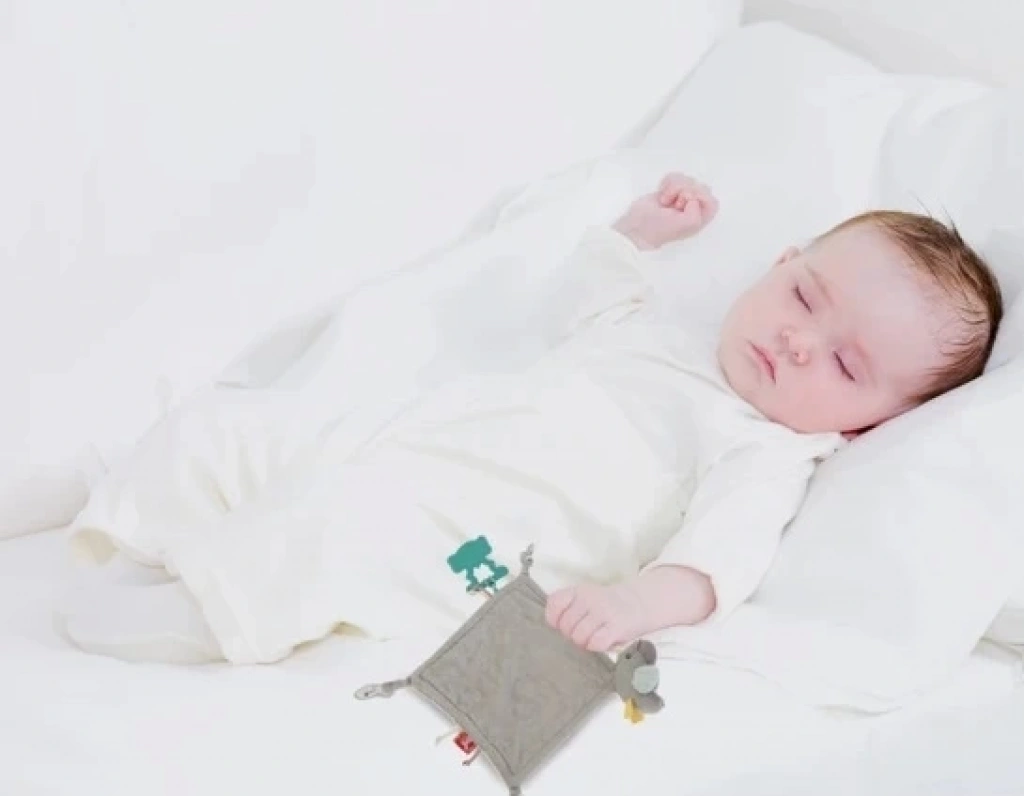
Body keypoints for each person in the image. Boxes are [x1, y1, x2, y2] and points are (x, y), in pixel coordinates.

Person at [60, 173, 1003, 665]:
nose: (799, 342)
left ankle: (188, 616)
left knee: (327, 538)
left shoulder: (762, 452)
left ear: (866, 428)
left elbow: (717, 566)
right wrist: (643, 232)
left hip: (460, 535)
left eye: (844, 364)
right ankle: (132, 534)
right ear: (779, 263)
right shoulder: (666, 337)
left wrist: (633, 605)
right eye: (804, 296)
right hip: (393, 439)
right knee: (227, 432)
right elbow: (594, 297)